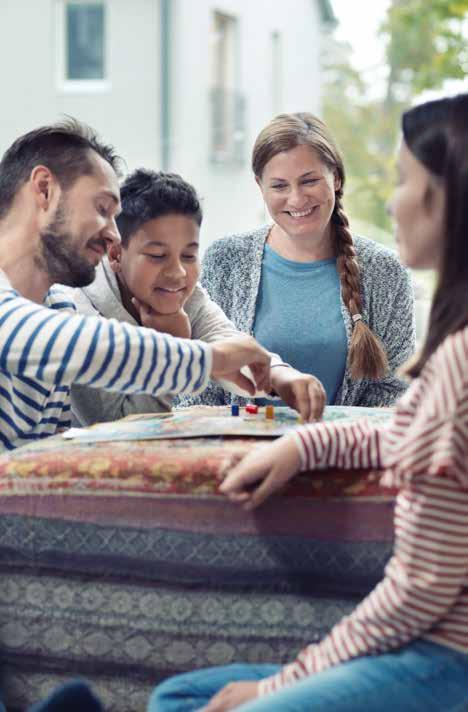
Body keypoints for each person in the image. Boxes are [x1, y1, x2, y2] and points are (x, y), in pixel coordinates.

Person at [149, 94, 468, 711]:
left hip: (444, 652)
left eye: (403, 180)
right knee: (180, 694)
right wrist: (303, 442)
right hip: (426, 639)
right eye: (279, 185)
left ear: (444, 200)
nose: (393, 200)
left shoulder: (455, 358)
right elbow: (407, 430)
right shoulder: (455, 353)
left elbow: (418, 595)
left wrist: (279, 685)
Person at [0, 119, 273, 452]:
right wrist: (205, 358)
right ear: (44, 189)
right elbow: (46, 336)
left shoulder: (58, 305)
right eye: (102, 208)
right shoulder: (50, 323)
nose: (114, 234)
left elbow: (44, 459)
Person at [187, 112, 415, 410]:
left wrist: (327, 444)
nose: (296, 200)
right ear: (260, 186)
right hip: (241, 451)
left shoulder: (384, 271)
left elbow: (394, 389)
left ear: (336, 178)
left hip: (345, 451)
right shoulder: (225, 260)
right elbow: (199, 386)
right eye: (279, 186)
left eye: (309, 181)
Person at [68, 169, 326, 426]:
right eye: (158, 256)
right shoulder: (76, 312)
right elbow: (117, 426)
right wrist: (173, 346)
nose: (178, 272)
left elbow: (227, 343)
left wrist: (280, 377)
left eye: (189, 256)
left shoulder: (181, 295)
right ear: (114, 254)